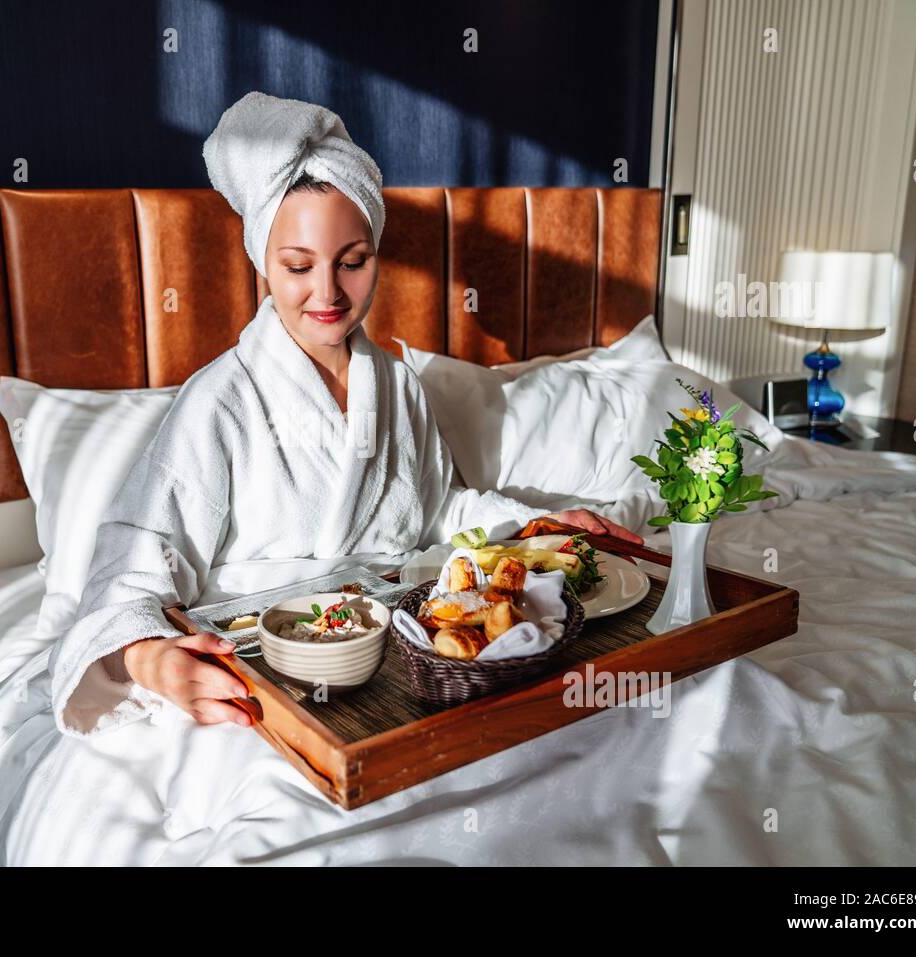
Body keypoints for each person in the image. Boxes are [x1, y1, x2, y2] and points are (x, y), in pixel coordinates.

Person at [53, 91, 640, 738]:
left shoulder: (397, 385)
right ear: (263, 265)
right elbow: (131, 567)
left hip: (398, 664)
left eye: (353, 262)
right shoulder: (220, 401)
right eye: (298, 266)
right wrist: (154, 660)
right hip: (261, 675)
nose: (328, 292)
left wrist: (532, 525)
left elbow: (439, 513)